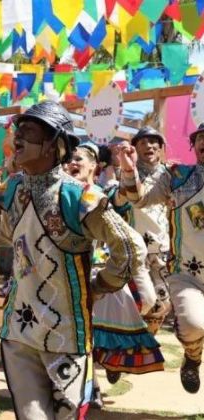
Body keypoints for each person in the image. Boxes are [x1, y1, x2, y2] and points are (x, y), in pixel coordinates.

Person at [0, 101, 147, 420]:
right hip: (19, 332)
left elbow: (130, 246)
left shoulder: (80, 196)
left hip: (67, 334)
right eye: (19, 130)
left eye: (29, 131)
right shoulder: (14, 189)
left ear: (53, 144)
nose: (18, 138)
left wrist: (100, 286)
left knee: (68, 416)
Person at [66, 142, 162, 406]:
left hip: (105, 274)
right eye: (70, 159)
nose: (73, 163)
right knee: (81, 332)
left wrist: (128, 168)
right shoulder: (61, 195)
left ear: (95, 167)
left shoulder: (103, 193)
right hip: (70, 274)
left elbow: (124, 194)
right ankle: (91, 387)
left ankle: (111, 356)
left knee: (149, 299)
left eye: (80, 159)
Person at [119, 122, 204, 394]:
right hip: (185, 272)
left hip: (161, 253)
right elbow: (138, 198)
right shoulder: (178, 176)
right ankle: (192, 357)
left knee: (157, 308)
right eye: (200, 137)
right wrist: (129, 169)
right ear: (195, 146)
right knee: (191, 324)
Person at [123, 126, 172, 335]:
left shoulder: (173, 175)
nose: (148, 146)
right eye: (142, 142)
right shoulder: (127, 175)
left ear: (161, 148)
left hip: (163, 248)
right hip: (136, 249)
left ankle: (148, 340)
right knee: (141, 299)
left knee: (163, 301)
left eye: (153, 142)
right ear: (135, 149)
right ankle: (133, 340)